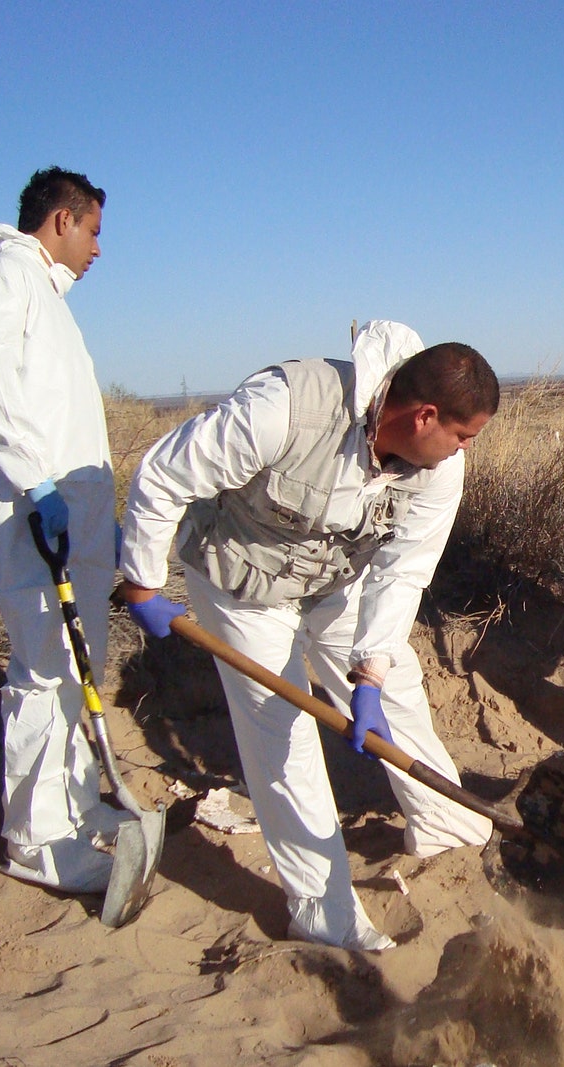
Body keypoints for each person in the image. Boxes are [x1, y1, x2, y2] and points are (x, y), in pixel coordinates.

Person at [117, 321, 497, 949]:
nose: (463, 450)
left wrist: (368, 676)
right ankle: (322, 907)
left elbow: (402, 573)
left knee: (395, 686)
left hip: (333, 575)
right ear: (425, 416)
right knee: (281, 730)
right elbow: (165, 473)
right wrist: (141, 581)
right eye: (461, 436)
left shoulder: (439, 471)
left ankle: (447, 825)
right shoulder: (286, 408)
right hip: (241, 573)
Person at [0, 167, 123, 893]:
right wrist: (37, 485)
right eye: (94, 231)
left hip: (67, 514)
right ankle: (36, 840)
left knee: (77, 665)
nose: (97, 249)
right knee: (46, 667)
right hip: (28, 512)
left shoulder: (50, 300)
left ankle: (77, 806)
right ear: (61, 220)